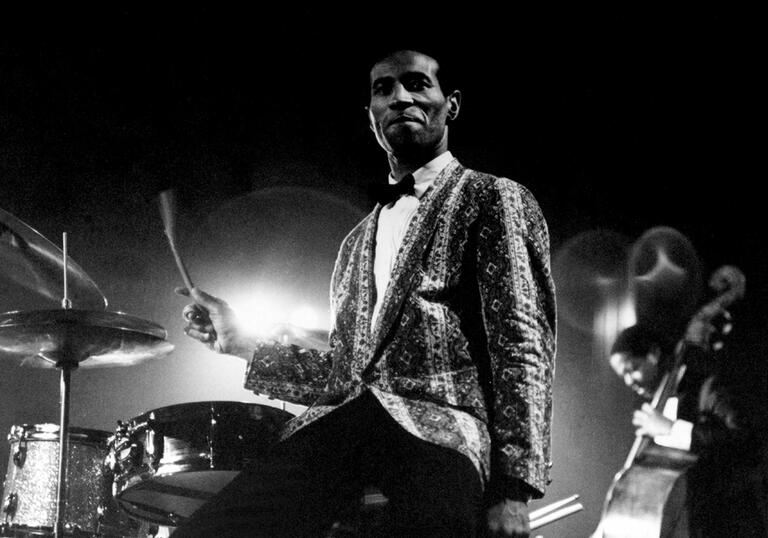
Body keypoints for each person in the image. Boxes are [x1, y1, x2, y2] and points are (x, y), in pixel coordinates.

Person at [173, 49, 556, 537]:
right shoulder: (354, 243)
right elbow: (347, 372)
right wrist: (242, 344)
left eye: (418, 84)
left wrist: (513, 487)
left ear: (451, 104)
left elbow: (522, 341)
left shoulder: (493, 196)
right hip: (344, 424)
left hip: (439, 426)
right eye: (384, 90)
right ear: (371, 117)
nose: (400, 98)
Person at [607, 269, 767, 537]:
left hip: (734, 524)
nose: (628, 380)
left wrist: (672, 430)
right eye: (622, 375)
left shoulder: (705, 388)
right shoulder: (654, 411)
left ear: (654, 354)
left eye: (631, 368)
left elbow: (747, 438)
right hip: (695, 527)